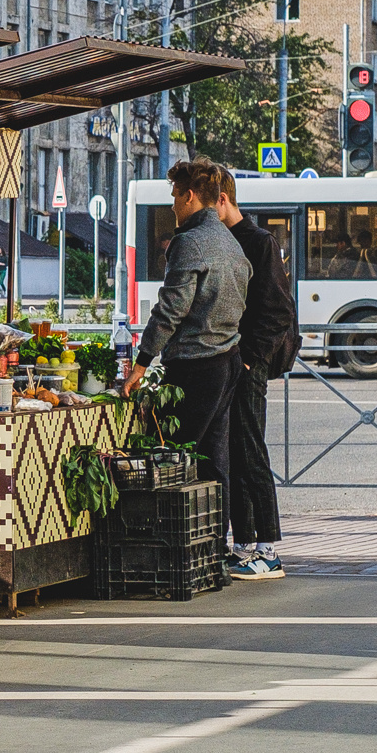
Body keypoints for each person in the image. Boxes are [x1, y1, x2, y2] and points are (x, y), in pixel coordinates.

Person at [122, 160, 249, 519]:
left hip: (195, 366)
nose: (173, 205)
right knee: (213, 461)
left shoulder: (189, 243)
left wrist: (141, 364)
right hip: (227, 360)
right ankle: (213, 549)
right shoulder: (229, 240)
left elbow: (170, 309)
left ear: (190, 196)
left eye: (175, 196)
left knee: (174, 457)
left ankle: (176, 540)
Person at [215, 168, 300, 581]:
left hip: (248, 361)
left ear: (222, 200)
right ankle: (245, 545)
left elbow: (280, 311)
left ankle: (267, 548)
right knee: (236, 450)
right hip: (231, 359)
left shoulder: (259, 242)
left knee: (250, 448)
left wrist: (249, 359)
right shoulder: (226, 241)